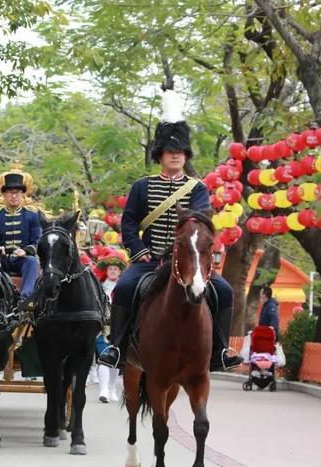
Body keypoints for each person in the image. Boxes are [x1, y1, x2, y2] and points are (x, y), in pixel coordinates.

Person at [98, 89, 242, 372]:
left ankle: (220, 350)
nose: (176, 156)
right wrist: (138, 251)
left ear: (186, 155)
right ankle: (115, 347)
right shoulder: (143, 186)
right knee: (125, 288)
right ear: (160, 155)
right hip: (150, 260)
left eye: (180, 152)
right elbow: (129, 222)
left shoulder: (197, 188)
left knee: (224, 291)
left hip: (188, 260)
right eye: (170, 151)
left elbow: (200, 220)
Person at [0, 166, 41, 300]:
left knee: (32, 261)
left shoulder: (32, 215)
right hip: (2, 258)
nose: (14, 196)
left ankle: (26, 298)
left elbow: (37, 240)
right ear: (4, 195)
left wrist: (26, 251)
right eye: (10, 192)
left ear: (23, 195)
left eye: (17, 192)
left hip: (22, 259)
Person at [95, 253, 126, 403]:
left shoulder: (125, 287)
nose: (113, 271)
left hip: (119, 328)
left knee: (115, 359)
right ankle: (104, 389)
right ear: (106, 271)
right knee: (103, 358)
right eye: (110, 269)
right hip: (103, 328)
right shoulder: (99, 287)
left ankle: (112, 388)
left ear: (120, 272)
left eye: (115, 269)